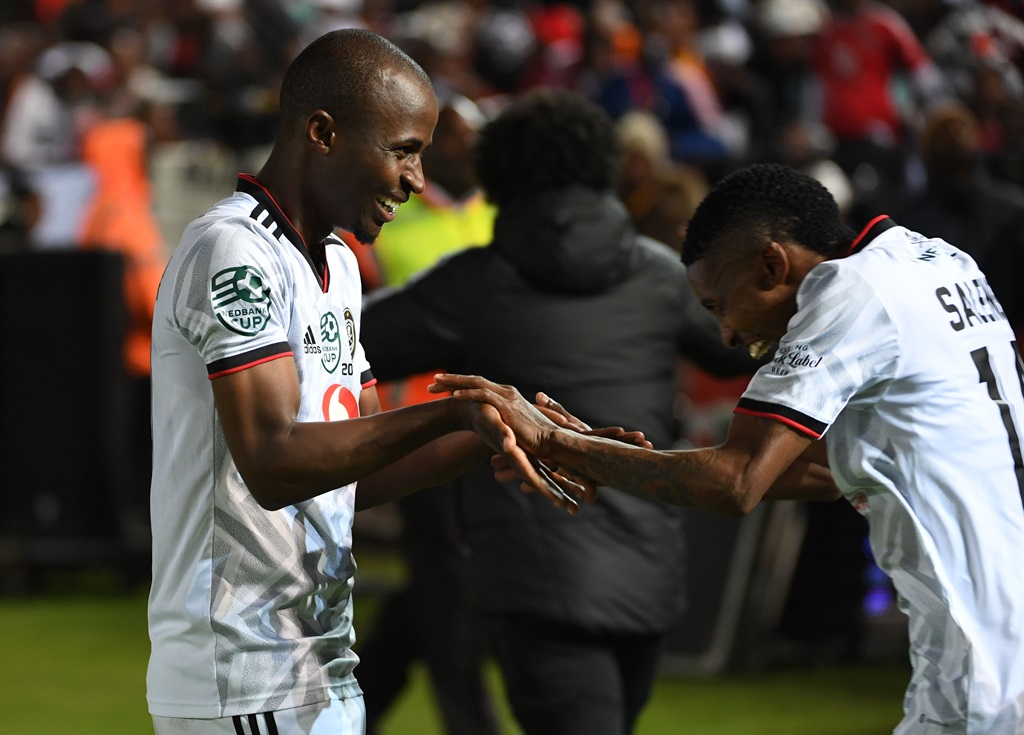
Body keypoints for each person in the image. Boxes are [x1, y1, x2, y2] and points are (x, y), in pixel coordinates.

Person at [435, 162, 1024, 735]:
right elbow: (828, 469)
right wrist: (596, 454)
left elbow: (736, 481)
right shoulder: (935, 259)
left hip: (983, 672)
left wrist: (550, 440)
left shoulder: (848, 290)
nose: (727, 334)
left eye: (720, 303)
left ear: (773, 262)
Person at [145, 29, 577, 735]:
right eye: (403, 149)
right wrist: (455, 412)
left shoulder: (339, 264)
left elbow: (360, 471)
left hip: (318, 661)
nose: (416, 180)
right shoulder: (233, 251)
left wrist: (502, 431)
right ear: (322, 132)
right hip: (244, 673)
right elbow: (274, 462)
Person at [361, 88, 758, 735]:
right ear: (601, 165)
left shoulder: (473, 284)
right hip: (648, 570)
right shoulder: (660, 276)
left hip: (532, 577)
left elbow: (344, 340)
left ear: (500, 172)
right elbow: (742, 349)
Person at [348, 93, 501, 735]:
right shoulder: (386, 225)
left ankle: (361, 705)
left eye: (474, 137)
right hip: (418, 434)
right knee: (449, 586)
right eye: (456, 138)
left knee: (444, 589)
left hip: (491, 429)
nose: (468, 148)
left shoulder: (501, 218)